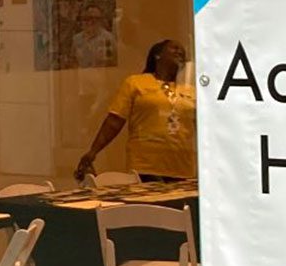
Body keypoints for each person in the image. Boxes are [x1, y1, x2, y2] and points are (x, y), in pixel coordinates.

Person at [73, 39, 197, 182]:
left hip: (183, 168)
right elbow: (114, 121)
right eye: (174, 48)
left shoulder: (190, 90)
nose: (179, 52)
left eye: (182, 51)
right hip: (146, 167)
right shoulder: (135, 83)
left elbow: (202, 127)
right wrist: (93, 152)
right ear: (157, 55)